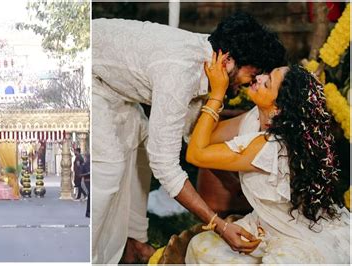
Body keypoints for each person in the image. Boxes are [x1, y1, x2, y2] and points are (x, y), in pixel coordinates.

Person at [92, 12, 286, 263]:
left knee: (140, 145)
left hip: (113, 84)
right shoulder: (180, 72)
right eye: (253, 74)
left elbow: (194, 136)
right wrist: (218, 225)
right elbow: (166, 165)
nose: (251, 85)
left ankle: (134, 245)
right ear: (228, 60)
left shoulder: (211, 62)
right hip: (87, 74)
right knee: (110, 166)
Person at [184, 54, 350, 263]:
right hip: (265, 227)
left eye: (268, 82)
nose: (259, 77)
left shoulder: (272, 147)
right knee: (200, 247)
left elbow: (195, 154)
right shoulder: (254, 117)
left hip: (298, 238)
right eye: (266, 75)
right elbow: (203, 139)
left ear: (279, 108)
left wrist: (217, 93)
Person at [81, 153, 91, 218]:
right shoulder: (84, 165)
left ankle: (89, 211)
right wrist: (87, 173)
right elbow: (80, 174)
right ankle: (88, 212)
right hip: (87, 181)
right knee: (90, 195)